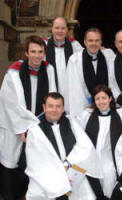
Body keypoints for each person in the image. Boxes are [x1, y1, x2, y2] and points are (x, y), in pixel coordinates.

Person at [0, 35, 57, 200]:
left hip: (40, 125)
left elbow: (52, 96)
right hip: (19, 128)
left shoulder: (49, 69)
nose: (37, 56)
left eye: (40, 52)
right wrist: (27, 125)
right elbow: (10, 103)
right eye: (33, 51)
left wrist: (45, 120)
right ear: (26, 53)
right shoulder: (14, 71)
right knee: (14, 162)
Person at [25, 92, 102, 200]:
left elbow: (85, 146)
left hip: (72, 169)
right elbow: (36, 161)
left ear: (63, 108)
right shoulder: (35, 130)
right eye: (51, 106)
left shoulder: (71, 122)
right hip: (48, 174)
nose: (54, 110)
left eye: (58, 106)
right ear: (44, 107)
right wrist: (61, 176)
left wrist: (68, 164)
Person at [76, 84, 122, 199]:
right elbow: (74, 129)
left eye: (104, 98)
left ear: (110, 99)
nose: (101, 101)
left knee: (109, 183)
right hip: (92, 160)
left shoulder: (121, 114)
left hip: (111, 160)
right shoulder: (87, 115)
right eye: (97, 99)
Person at [67, 28, 115, 117]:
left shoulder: (109, 56)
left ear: (101, 42)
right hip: (85, 108)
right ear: (85, 42)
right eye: (90, 40)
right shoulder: (75, 60)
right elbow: (74, 89)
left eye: (97, 40)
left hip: (106, 106)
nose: (94, 44)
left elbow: (113, 81)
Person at [44, 17, 83, 106]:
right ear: (52, 29)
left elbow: (86, 58)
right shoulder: (44, 45)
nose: (60, 31)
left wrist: (99, 50)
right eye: (57, 28)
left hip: (69, 90)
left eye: (63, 28)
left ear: (67, 30)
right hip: (50, 86)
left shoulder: (75, 46)